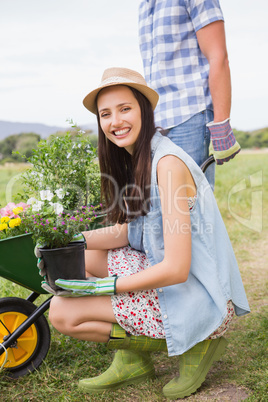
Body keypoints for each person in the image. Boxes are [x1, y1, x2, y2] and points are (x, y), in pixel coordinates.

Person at [45, 68, 250, 399]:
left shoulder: (167, 165)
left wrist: (102, 288)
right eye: (106, 114)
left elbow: (176, 268)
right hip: (172, 277)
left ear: (144, 109)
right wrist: (69, 240)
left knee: (63, 312)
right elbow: (127, 232)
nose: (115, 121)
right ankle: (133, 359)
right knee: (84, 256)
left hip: (197, 294)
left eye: (125, 108)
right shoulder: (137, 157)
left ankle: (198, 342)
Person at [138, 0, 241, 188]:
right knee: (166, 207)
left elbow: (218, 56)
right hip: (156, 120)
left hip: (191, 115)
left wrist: (221, 123)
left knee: (193, 207)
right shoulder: (144, 5)